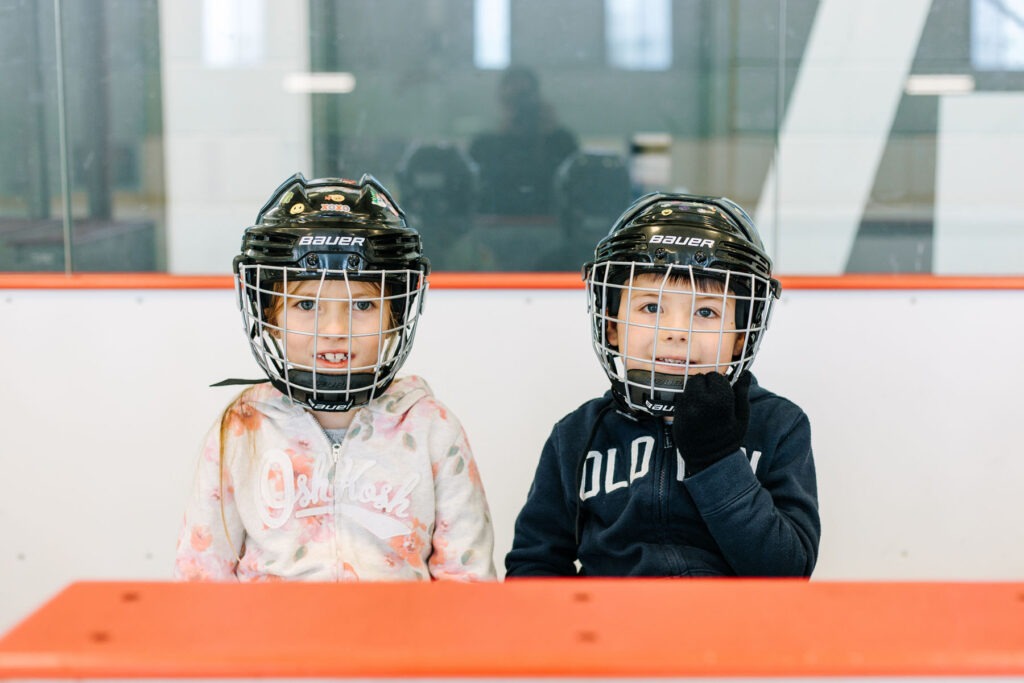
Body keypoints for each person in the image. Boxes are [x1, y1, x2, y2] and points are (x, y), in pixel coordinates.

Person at [175, 173, 495, 581]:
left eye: (361, 305)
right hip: (271, 643)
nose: (334, 329)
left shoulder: (432, 428)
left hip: (399, 642)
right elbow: (202, 573)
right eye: (306, 304)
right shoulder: (242, 428)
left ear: (396, 315)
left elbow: (467, 578)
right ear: (269, 317)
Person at [505, 192, 820, 577]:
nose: (675, 332)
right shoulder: (576, 435)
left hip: (732, 633)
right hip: (608, 632)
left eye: (706, 312)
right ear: (612, 326)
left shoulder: (778, 426)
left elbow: (787, 571)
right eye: (651, 307)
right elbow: (535, 563)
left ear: (741, 337)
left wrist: (717, 459)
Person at [469, 66, 578, 215]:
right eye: (513, 100)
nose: (520, 108)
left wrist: (552, 135)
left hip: (549, 226)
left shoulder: (560, 141)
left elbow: (573, 188)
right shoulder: (483, 146)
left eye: (525, 97)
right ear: (501, 102)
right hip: (495, 227)